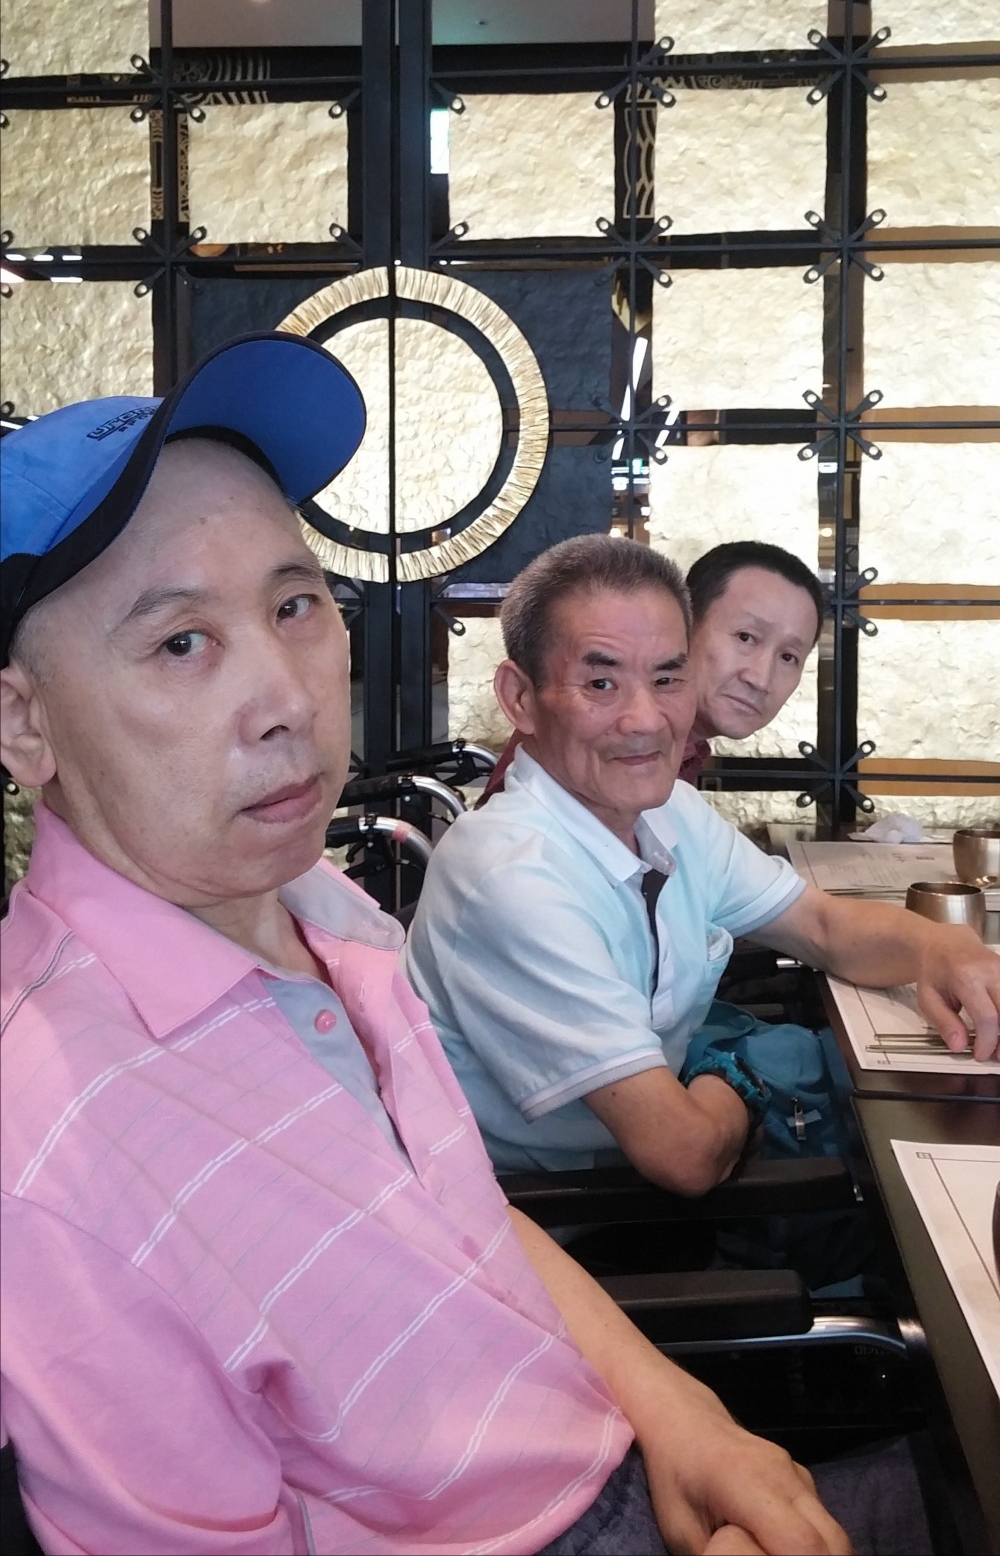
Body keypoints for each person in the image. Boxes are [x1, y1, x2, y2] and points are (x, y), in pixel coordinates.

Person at [0, 339, 869, 1556]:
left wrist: (684, 1417)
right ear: (23, 721)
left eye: (296, 606)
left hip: (611, 1440)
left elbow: (463, 1219)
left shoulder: (327, 913)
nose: (289, 698)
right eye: (181, 642)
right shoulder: (51, 1147)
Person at [405, 534, 999, 1193]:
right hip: (555, 1216)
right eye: (601, 682)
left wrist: (941, 946)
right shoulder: (512, 875)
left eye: (667, 679)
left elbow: (821, 925)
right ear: (520, 698)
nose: (646, 719)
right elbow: (684, 1155)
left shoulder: (668, 812)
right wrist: (740, 1075)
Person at [478, 539, 824, 802]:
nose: (760, 679)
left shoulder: (681, 751)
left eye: (788, 657)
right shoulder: (607, 746)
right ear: (683, 626)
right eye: (746, 637)